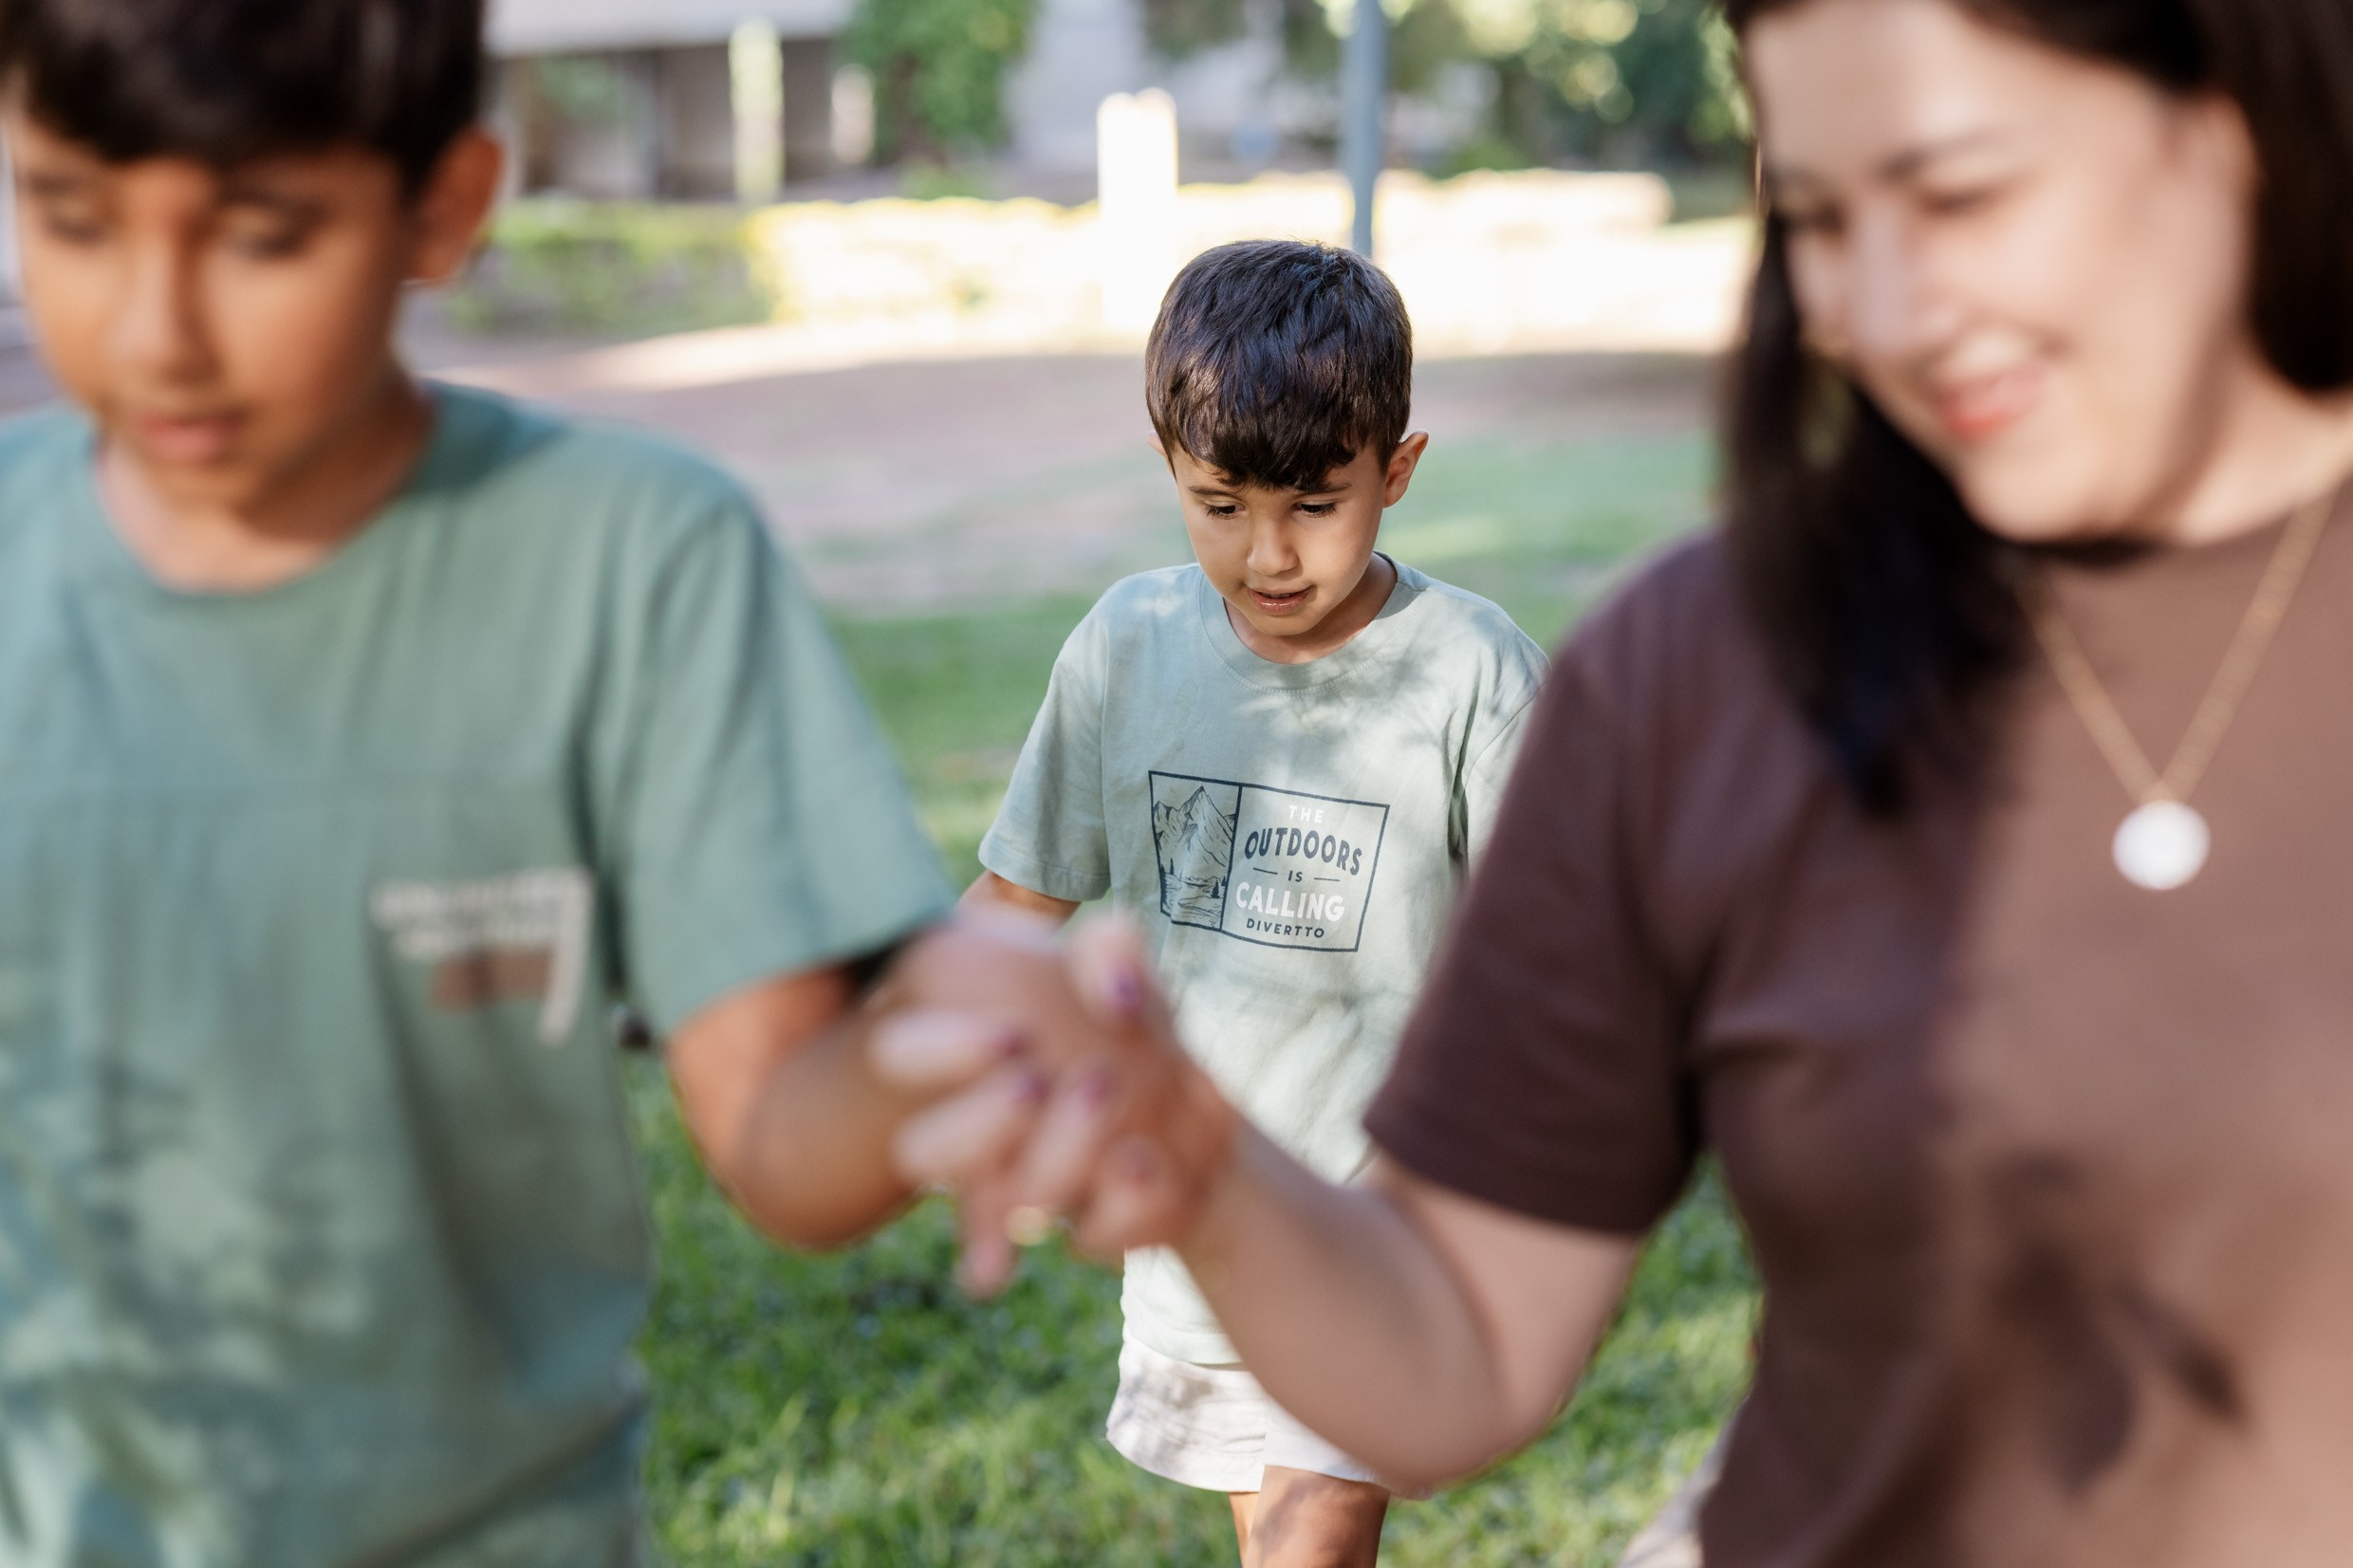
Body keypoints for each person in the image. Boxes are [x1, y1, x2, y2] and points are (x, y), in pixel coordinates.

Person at [878, 0, 2353, 1561]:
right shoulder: (1698, 665)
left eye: (1965, 190)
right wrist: (1196, 1156)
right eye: (1816, 220)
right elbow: (1468, 1349)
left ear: (2234, 116)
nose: (1880, 308)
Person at [0, 2, 968, 1559]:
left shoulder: (634, 559)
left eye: (261, 236)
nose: (155, 328)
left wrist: (966, 1041)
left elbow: (789, 1140)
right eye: (75, 220)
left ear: (443, 207)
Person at [957, 238, 1546, 1567]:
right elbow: (1017, 894)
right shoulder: (1127, 648)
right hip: (1199, 1226)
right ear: (1169, 463)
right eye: (1221, 505)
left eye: (1315, 506)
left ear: (1396, 471)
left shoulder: (1472, 674)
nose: (1268, 554)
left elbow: (1560, 961)